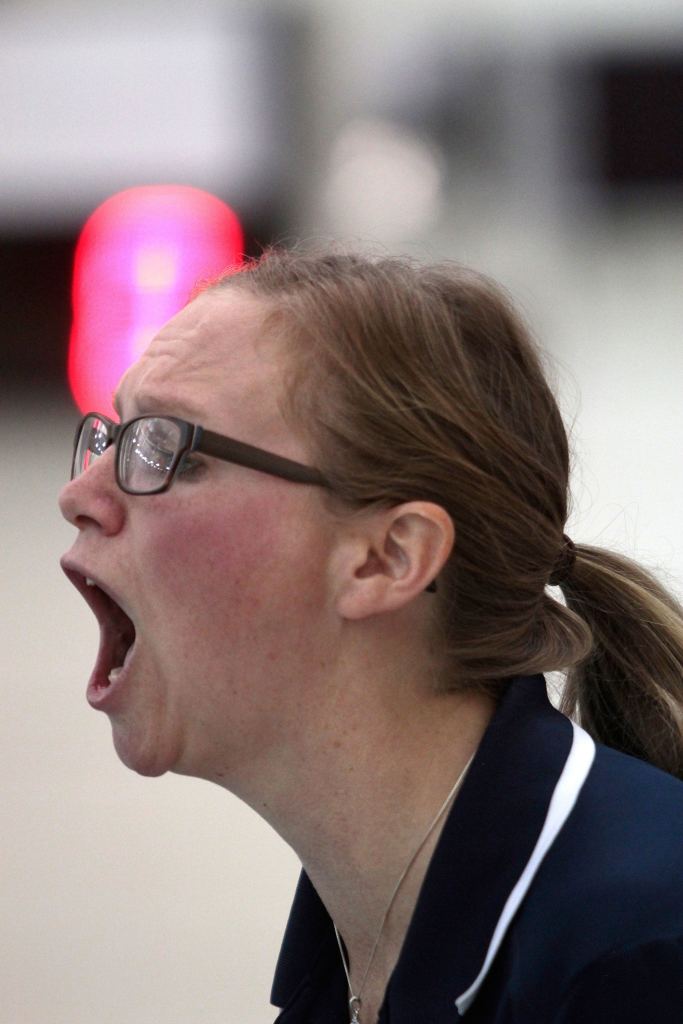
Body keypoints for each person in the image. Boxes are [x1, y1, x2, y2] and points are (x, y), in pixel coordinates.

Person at [59, 249, 683, 1023]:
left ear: (389, 558)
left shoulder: (641, 955)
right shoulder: (343, 975)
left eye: (166, 448)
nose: (79, 494)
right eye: (112, 437)